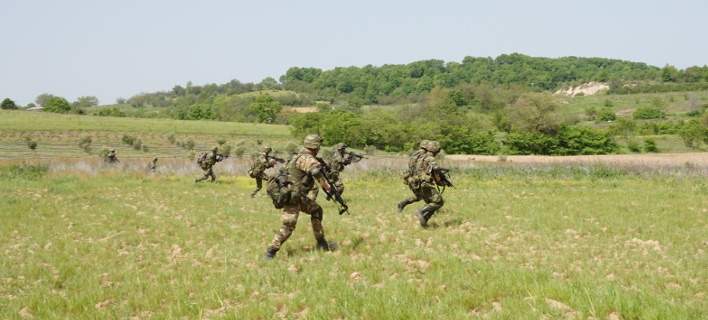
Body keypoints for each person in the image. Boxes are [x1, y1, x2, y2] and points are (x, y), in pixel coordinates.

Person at [265, 134, 335, 259]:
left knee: (316, 210)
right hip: (292, 198)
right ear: (316, 146)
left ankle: (321, 243)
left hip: (298, 196)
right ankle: (271, 251)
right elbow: (315, 171)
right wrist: (326, 185)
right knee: (288, 226)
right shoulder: (306, 158)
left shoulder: (297, 156)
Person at [397, 140, 445, 227]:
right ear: (435, 150)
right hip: (423, 183)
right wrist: (444, 170)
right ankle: (421, 212)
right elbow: (436, 168)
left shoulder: (417, 157)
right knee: (439, 202)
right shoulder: (429, 158)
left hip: (414, 181)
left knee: (423, 198)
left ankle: (424, 221)